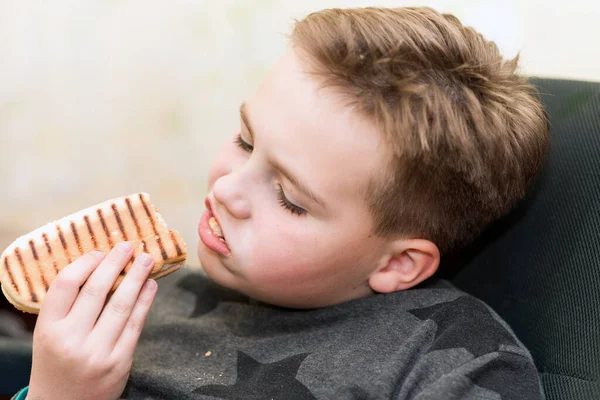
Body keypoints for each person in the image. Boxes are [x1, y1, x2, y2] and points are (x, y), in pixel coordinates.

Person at [13, 6, 549, 400]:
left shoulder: (450, 367)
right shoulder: (158, 297)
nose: (226, 189)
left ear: (397, 263)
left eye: (290, 199)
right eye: (245, 140)